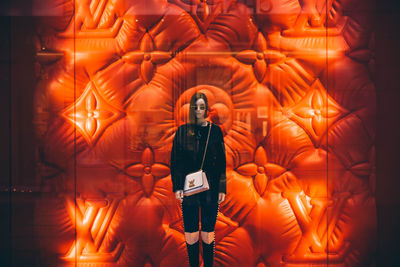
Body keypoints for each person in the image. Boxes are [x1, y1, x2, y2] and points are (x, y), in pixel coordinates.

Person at [171, 92, 226, 267]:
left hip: (210, 186)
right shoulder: (182, 131)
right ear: (191, 109)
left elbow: (221, 162)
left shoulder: (215, 131)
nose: (199, 110)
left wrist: (222, 188)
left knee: (208, 234)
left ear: (206, 109)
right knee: (191, 234)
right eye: (196, 107)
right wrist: (177, 186)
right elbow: (176, 160)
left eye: (202, 107)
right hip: (189, 186)